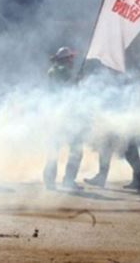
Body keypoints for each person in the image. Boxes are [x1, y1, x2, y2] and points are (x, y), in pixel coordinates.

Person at [42, 46, 85, 191]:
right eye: (71, 58)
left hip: (54, 113)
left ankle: (49, 180)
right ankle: (68, 180)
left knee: (54, 148)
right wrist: (76, 80)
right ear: (66, 59)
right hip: (67, 115)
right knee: (76, 149)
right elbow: (65, 90)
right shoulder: (62, 71)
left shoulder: (53, 70)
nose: (73, 60)